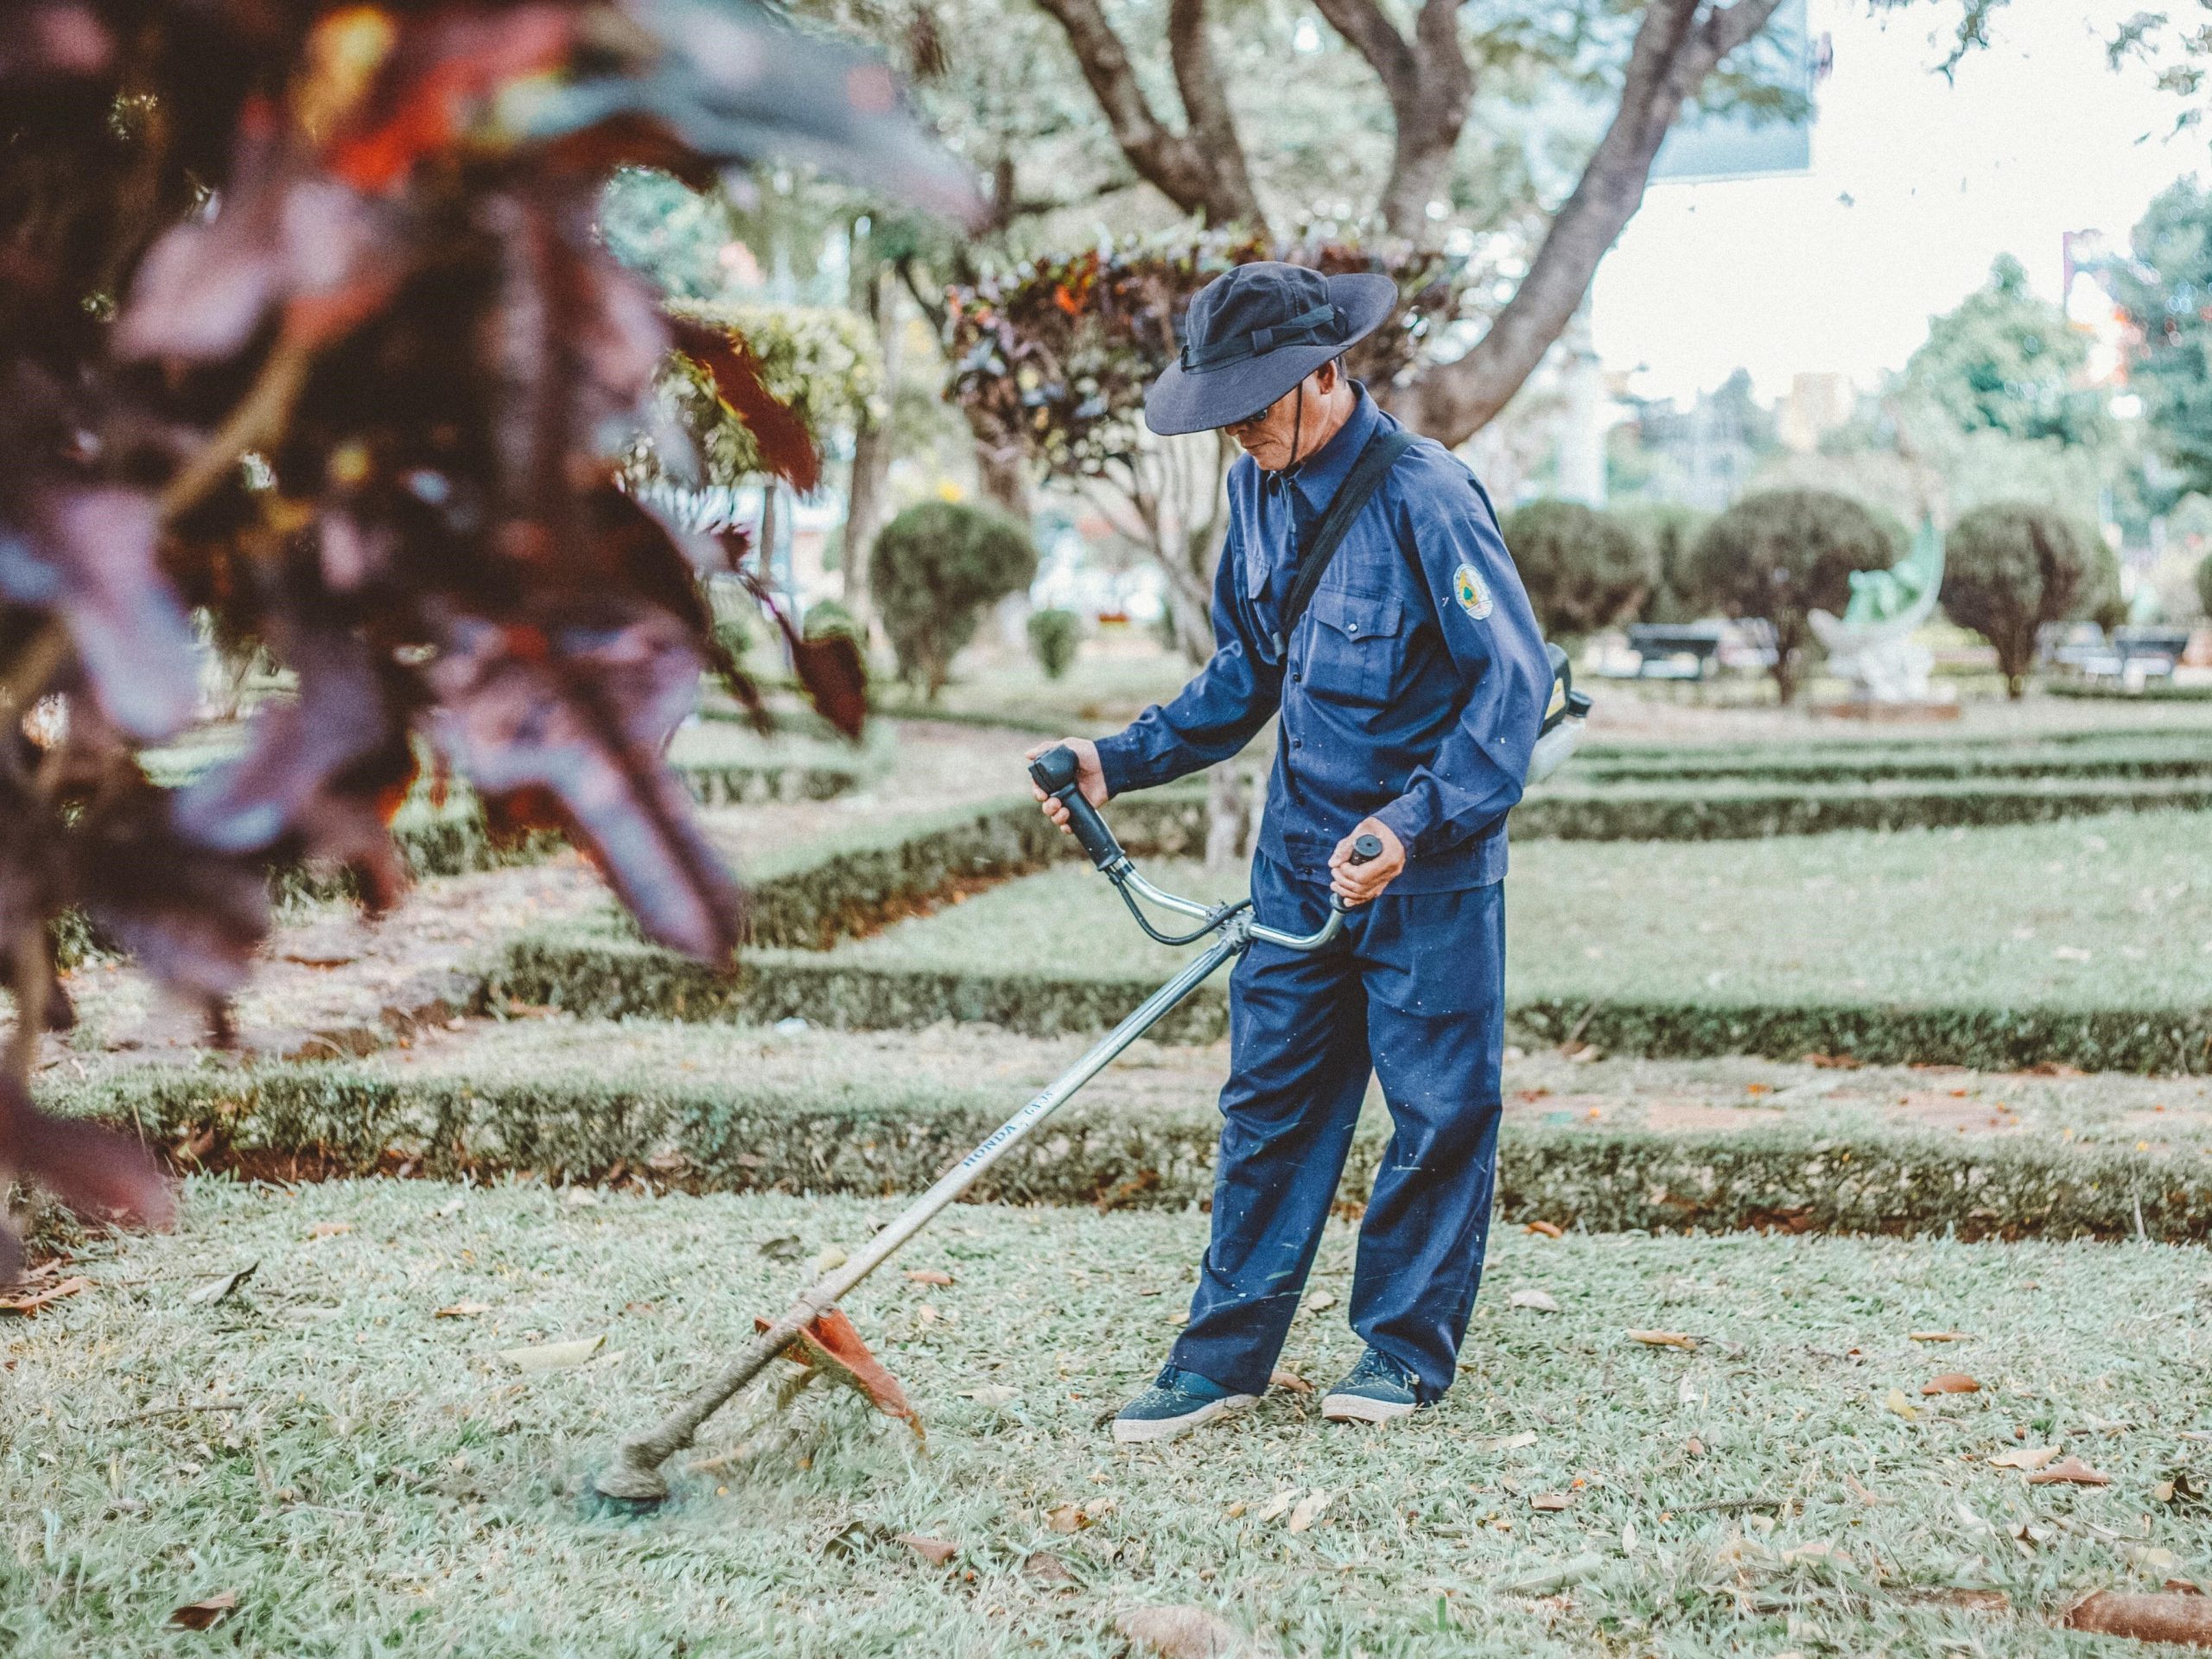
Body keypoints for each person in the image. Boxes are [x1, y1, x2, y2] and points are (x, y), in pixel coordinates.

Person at [1028, 261, 1550, 1441]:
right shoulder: (1254, 492)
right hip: (1299, 861)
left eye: (1258, 404)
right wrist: (1123, 758)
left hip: (1428, 868)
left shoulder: (1429, 495)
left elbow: (1508, 690)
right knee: (1267, 1109)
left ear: (1327, 374)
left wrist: (1411, 827)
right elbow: (1246, 670)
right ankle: (1221, 1362)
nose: (1244, 431)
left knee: (1436, 1113)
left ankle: (1402, 1354)